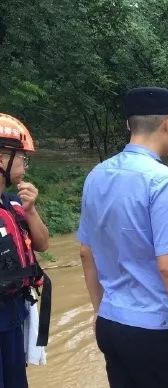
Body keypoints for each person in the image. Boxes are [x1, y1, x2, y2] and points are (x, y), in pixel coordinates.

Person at [78, 87, 168, 388]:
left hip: (111, 324)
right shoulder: (162, 181)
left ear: (129, 125)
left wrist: (100, 312)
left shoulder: (96, 175)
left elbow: (86, 253)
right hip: (156, 331)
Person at [0, 113, 51, 388]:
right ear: (1, 159)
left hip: (13, 315)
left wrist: (30, 211)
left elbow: (42, 244)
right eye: (21, 157)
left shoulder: (13, 205)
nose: (25, 164)